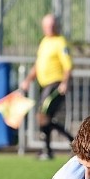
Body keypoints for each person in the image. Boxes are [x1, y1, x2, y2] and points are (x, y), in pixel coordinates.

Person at [19, 13, 75, 160]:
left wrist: (65, 82)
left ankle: (50, 149)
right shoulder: (44, 42)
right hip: (44, 85)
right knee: (45, 117)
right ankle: (68, 143)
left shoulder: (60, 42)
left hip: (55, 84)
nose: (49, 28)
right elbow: (38, 65)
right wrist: (27, 80)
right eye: (47, 26)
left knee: (42, 116)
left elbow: (68, 65)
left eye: (51, 25)